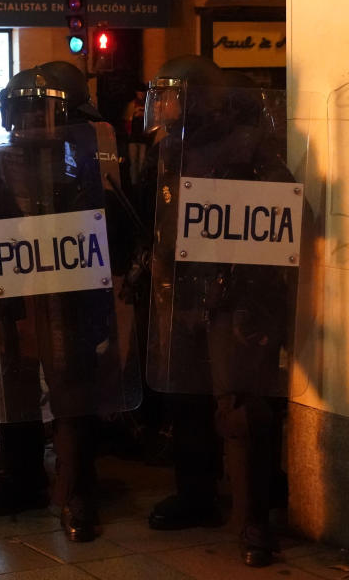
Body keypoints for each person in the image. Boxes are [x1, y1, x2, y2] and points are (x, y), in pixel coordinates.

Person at [141, 57, 295, 568]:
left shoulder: (251, 146)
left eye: (171, 95)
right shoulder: (168, 149)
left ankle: (253, 520)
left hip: (233, 296)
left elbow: (284, 213)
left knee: (239, 405)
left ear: (202, 97)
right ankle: (197, 495)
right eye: (159, 96)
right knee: (185, 398)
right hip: (183, 292)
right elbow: (157, 217)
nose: (162, 106)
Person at [0, 68, 125, 542]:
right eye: (26, 108)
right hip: (18, 297)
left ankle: (76, 491)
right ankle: (22, 478)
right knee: (14, 387)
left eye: (44, 108)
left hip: (71, 293)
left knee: (71, 390)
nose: (35, 116)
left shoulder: (84, 161)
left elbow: (110, 226)